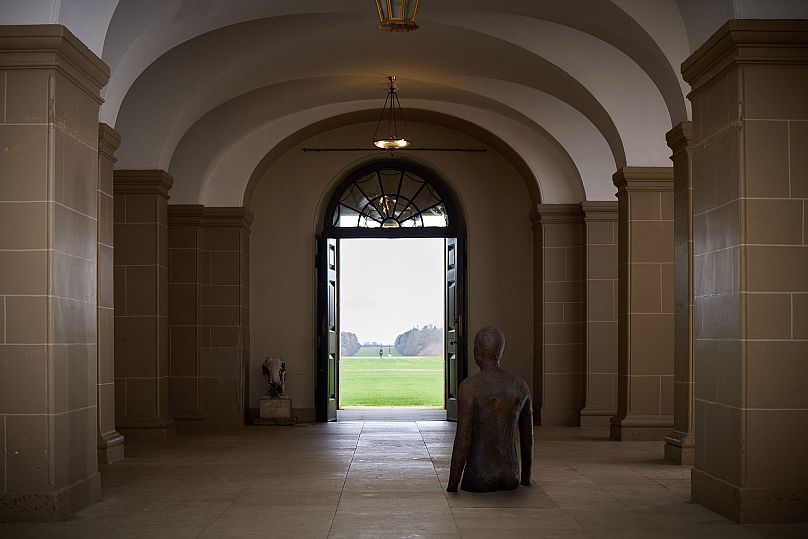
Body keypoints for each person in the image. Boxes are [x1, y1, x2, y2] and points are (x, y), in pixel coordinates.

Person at [447, 326, 533, 492]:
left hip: (478, 476)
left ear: (477, 351)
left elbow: (463, 439)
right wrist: (525, 478)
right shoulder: (520, 385)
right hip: (510, 477)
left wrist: (452, 484)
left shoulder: (470, 387)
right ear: (500, 351)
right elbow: (527, 437)